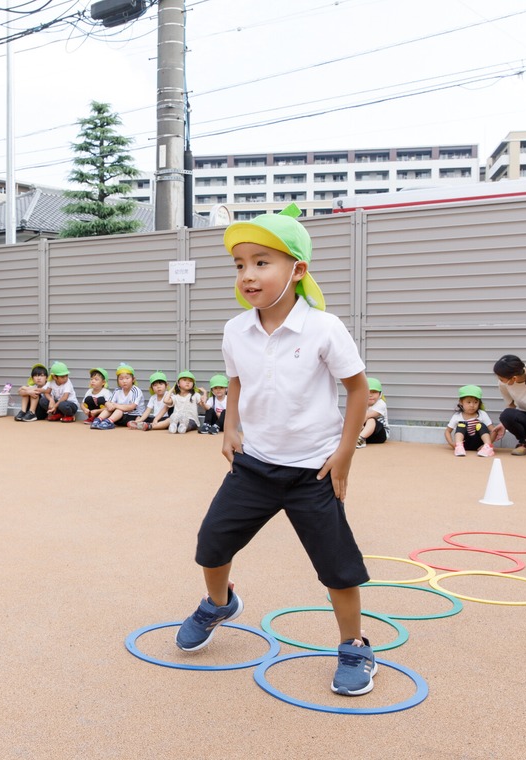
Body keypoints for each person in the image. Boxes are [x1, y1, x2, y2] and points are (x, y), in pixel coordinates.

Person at [175, 203, 375, 697]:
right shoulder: (235, 330)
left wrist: (345, 453)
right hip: (254, 465)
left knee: (337, 565)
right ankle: (219, 604)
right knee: (211, 544)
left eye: (262, 262)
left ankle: (354, 644)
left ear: (297, 270)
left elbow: (357, 392)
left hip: (313, 471)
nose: (247, 275)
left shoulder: (325, 329)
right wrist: (229, 427)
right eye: (240, 264)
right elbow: (238, 384)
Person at [444, 385, 496, 457]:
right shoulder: (457, 416)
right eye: (468, 402)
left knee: (480, 425)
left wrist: (487, 444)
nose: (472, 405)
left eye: (475, 402)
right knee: (461, 425)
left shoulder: (482, 414)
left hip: (479, 444)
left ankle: (488, 447)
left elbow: (493, 431)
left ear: (479, 403)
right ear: (461, 402)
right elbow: (447, 431)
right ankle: (459, 447)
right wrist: (452, 443)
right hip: (464, 444)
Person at [90, 364, 143, 430]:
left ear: (133, 379)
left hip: (132, 416)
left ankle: (108, 422)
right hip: (118, 417)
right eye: (121, 379)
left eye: (127, 378)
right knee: (109, 408)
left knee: (119, 409)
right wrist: (108, 404)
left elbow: (131, 407)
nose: (124, 381)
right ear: (117, 380)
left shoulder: (136, 390)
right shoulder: (117, 390)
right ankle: (97, 420)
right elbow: (110, 403)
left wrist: (115, 405)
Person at [355, 377, 389, 449]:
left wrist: (359, 427)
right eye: (367, 392)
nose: (370, 395)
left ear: (380, 394)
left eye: (374, 392)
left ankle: (360, 439)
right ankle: (359, 439)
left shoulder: (381, 404)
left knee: (371, 419)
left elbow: (366, 416)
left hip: (380, 434)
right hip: (366, 434)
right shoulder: (360, 403)